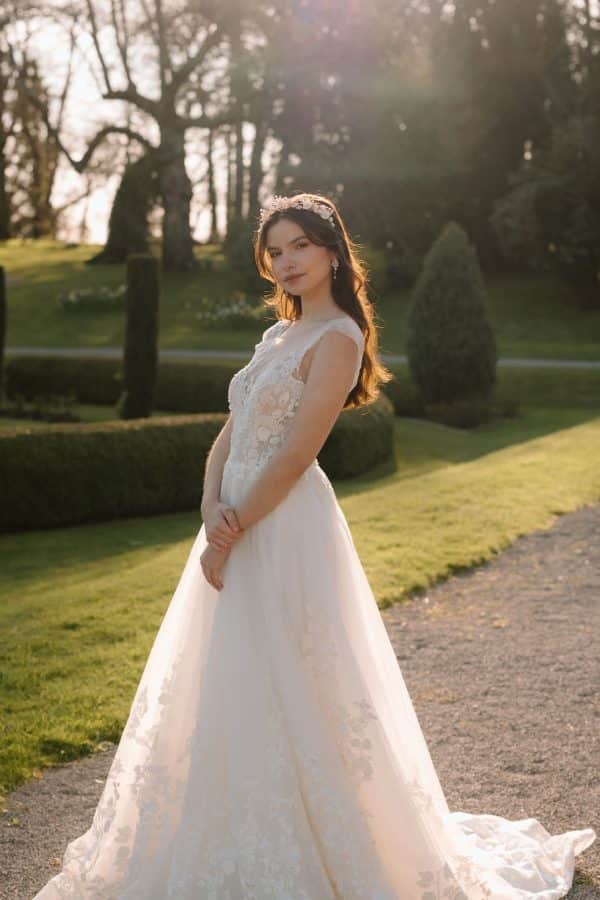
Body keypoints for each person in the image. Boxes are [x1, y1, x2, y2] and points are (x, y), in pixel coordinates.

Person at [33, 193, 595, 899]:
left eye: (299, 245)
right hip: (231, 516)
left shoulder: (337, 340)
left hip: (283, 527)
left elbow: (296, 455)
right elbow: (229, 434)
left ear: (332, 251)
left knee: (295, 673)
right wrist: (210, 508)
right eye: (275, 251)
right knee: (224, 675)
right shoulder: (274, 338)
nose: (286, 261)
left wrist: (228, 537)